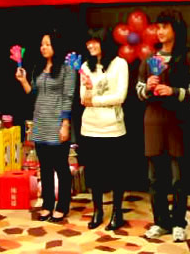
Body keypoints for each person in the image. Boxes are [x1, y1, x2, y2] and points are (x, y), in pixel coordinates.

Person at [136, 9, 190, 242]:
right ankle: (160, 222)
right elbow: (138, 92)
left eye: (165, 27)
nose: (160, 31)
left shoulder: (189, 58)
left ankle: (178, 222)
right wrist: (148, 87)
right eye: (158, 27)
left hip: (178, 123)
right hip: (153, 122)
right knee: (155, 178)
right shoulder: (149, 59)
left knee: (178, 178)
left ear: (176, 29)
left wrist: (173, 91)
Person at [15, 30, 75, 223]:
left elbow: (68, 97)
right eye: (42, 44)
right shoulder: (38, 67)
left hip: (57, 124)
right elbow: (33, 95)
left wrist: (65, 124)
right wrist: (23, 81)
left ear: (56, 46)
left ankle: (62, 206)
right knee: (45, 168)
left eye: (47, 44)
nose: (43, 47)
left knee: (61, 167)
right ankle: (47, 205)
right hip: (40, 124)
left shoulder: (67, 69)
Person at [79, 28, 129, 230]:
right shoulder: (85, 66)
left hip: (113, 128)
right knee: (94, 173)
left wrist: (95, 101)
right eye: (88, 42)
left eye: (94, 41)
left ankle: (117, 212)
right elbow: (83, 99)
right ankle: (97, 210)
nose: (90, 45)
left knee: (117, 172)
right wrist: (89, 88)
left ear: (104, 42)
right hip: (90, 127)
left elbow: (120, 96)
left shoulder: (120, 64)